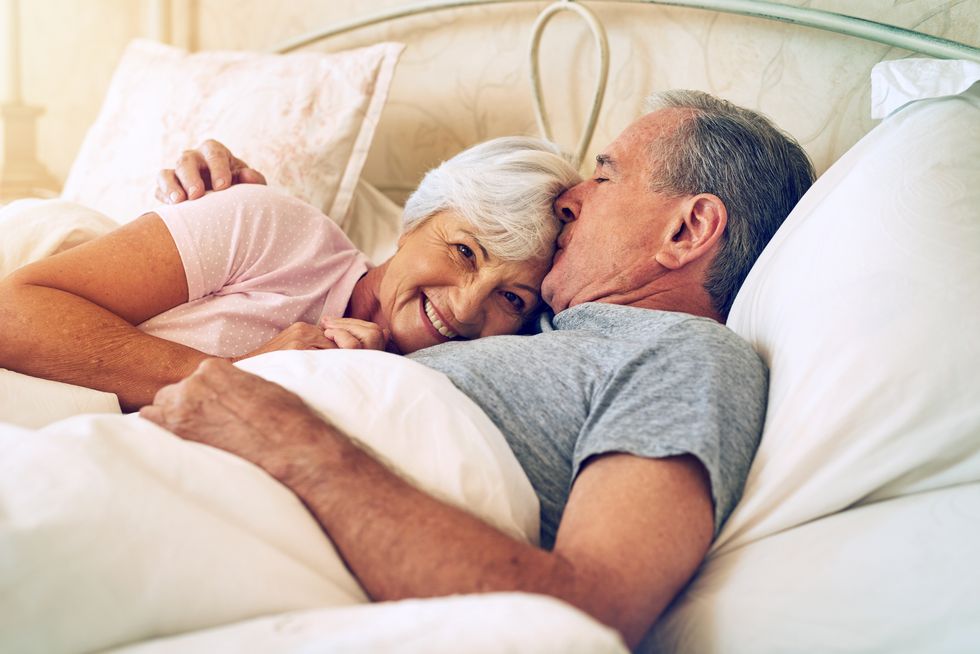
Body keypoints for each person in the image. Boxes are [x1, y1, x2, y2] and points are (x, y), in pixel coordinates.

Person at [142, 89, 815, 649]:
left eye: (606, 174)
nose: (573, 197)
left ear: (688, 230)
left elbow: (592, 615)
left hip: (249, 489)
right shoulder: (534, 320)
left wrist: (287, 438)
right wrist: (244, 210)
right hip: (191, 454)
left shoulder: (685, 358)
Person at [0, 137, 580, 411]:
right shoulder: (274, 227)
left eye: (511, 297)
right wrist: (242, 376)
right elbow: (14, 311)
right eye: (465, 252)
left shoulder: (433, 394)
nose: (468, 306)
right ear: (414, 225)